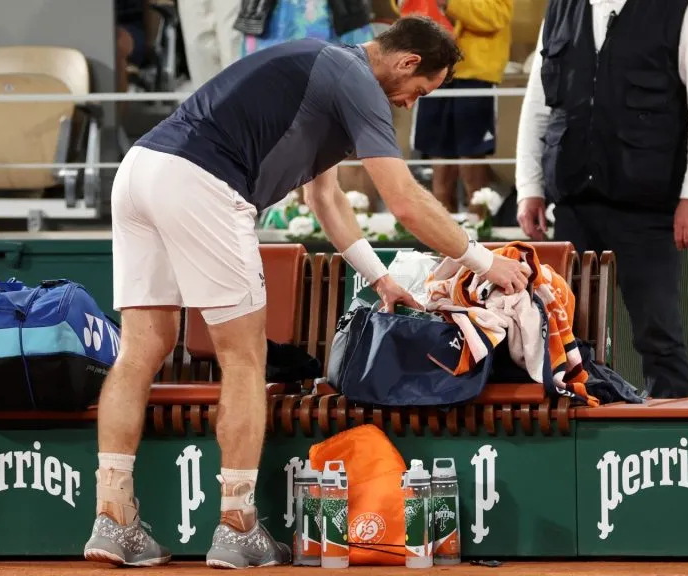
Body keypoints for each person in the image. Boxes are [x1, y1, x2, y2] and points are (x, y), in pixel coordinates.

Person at [83, 15, 530, 569]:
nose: (411, 103)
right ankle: (237, 525)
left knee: (140, 350)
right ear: (407, 62)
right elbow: (407, 202)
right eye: (419, 91)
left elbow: (326, 197)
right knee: (244, 359)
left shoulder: (325, 66)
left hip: (139, 174)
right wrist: (484, 259)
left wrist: (380, 278)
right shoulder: (359, 82)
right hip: (202, 182)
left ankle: (113, 519)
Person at [514, 0, 688, 399]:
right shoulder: (561, 9)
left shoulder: (684, 10)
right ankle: (578, 430)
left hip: (648, 206)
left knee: (658, 333)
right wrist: (529, 186)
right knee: (564, 332)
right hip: (575, 201)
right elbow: (538, 105)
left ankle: (671, 434)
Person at [411, 0, 513, 212]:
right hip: (431, 64)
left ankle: (478, 232)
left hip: (476, 70)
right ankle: (442, 237)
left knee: (472, 161)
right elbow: (406, 6)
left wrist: (449, 2)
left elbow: (497, 16)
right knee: (438, 166)